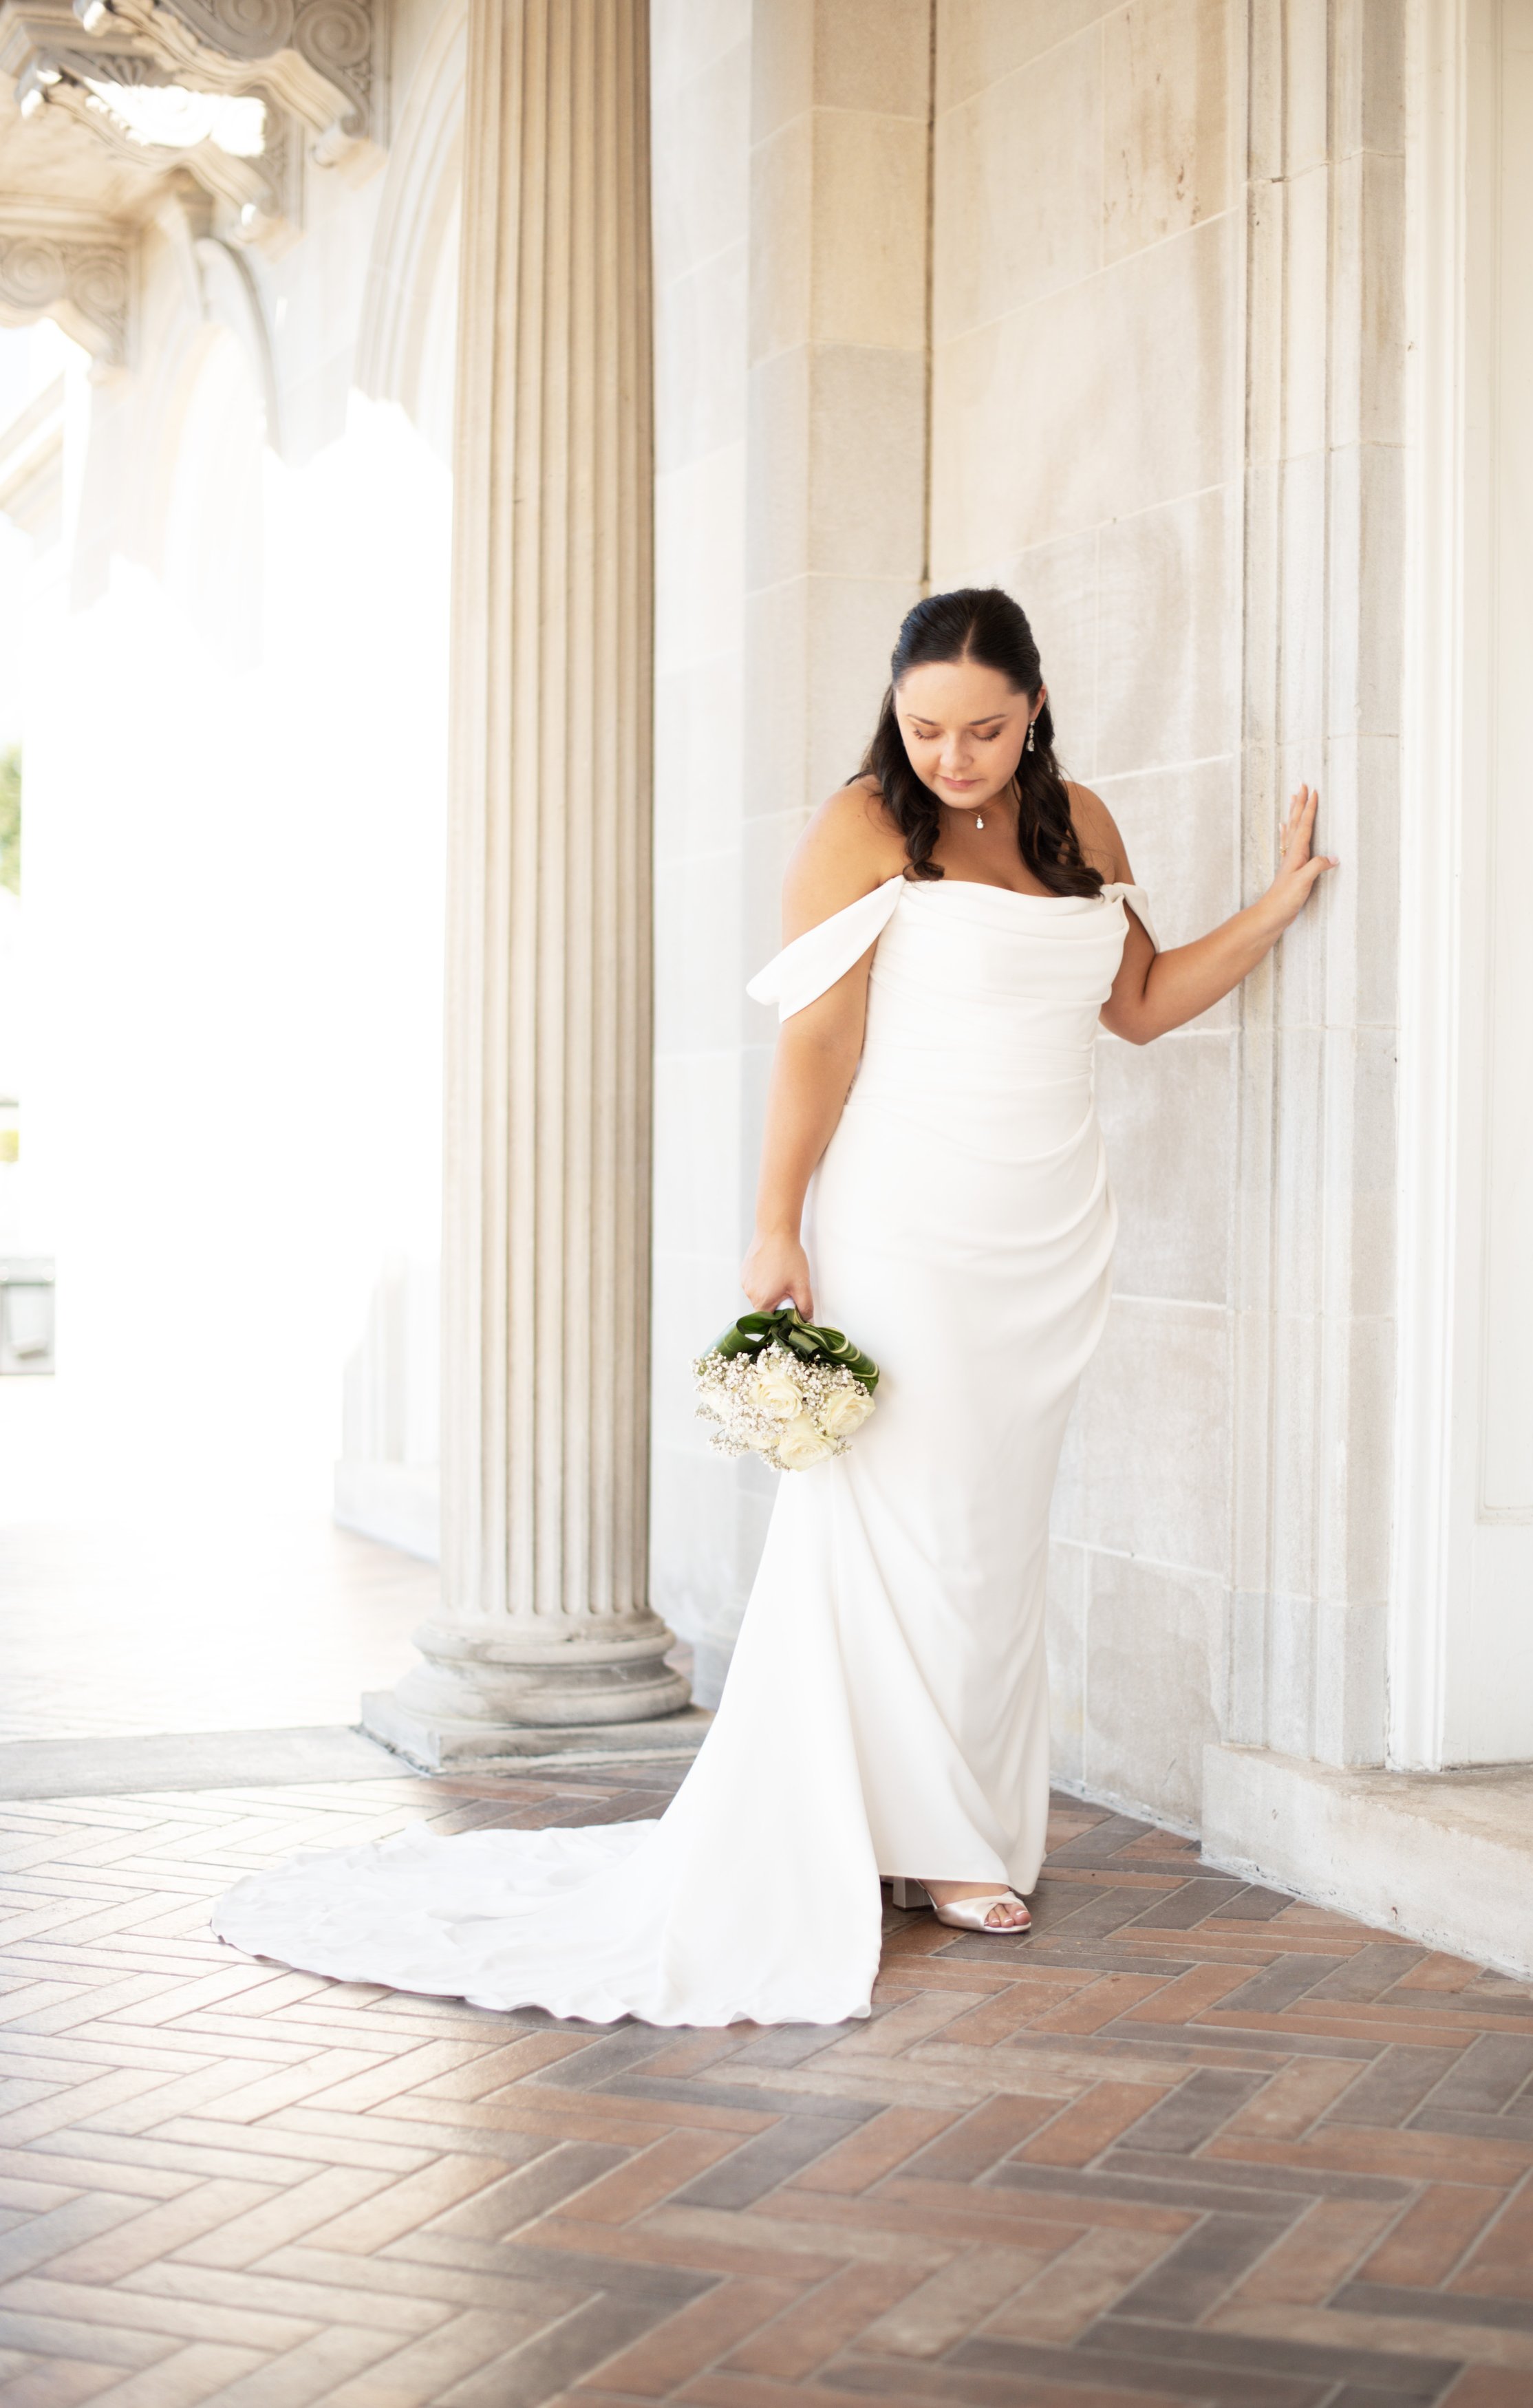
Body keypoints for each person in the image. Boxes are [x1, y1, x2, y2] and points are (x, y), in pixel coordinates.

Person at [211, 587, 1333, 2024]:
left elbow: (1139, 1002)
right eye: (926, 726)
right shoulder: (863, 825)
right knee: (906, 1531)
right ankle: (932, 1849)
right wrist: (771, 1226)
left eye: (984, 728)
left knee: (990, 1544)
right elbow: (818, 1043)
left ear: (1034, 709)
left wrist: (1279, 902)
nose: (954, 756)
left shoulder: (1082, 826)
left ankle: (916, 1822)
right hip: (905, 1229)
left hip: (1047, 1238)